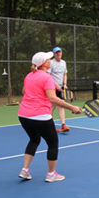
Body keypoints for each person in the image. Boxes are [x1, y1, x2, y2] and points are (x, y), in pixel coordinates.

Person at [18, 51, 82, 182]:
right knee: (53, 143)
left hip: (23, 115)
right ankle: (51, 174)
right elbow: (52, 98)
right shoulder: (47, 78)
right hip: (40, 116)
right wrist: (72, 108)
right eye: (48, 59)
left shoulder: (29, 75)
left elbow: (24, 91)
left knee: (34, 140)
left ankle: (24, 170)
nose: (50, 61)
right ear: (43, 63)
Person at [49, 47, 69, 133]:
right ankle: (48, 124)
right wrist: (56, 85)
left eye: (60, 52)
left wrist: (64, 84)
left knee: (61, 105)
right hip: (52, 87)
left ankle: (63, 124)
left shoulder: (63, 62)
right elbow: (48, 76)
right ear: (54, 54)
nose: (58, 54)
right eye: (57, 52)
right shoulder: (51, 63)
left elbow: (65, 74)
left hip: (61, 88)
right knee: (53, 105)